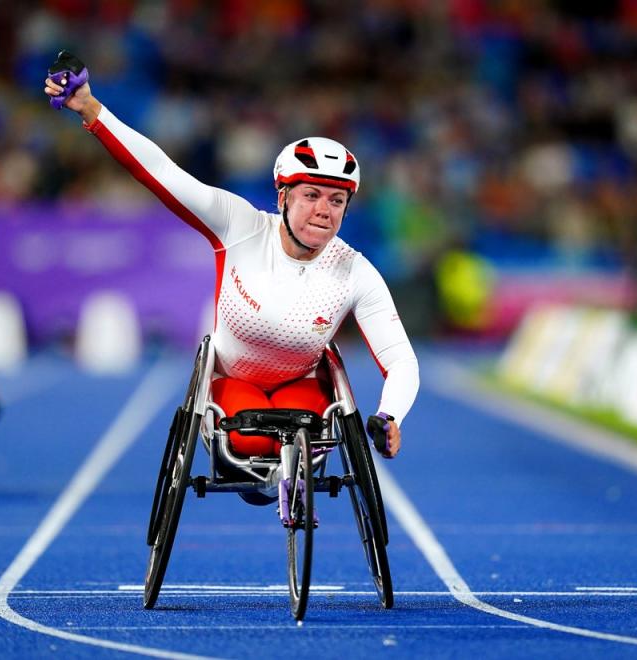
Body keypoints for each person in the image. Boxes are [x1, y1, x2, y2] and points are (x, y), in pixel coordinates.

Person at [44, 52, 418, 459]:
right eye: (311, 196)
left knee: (306, 444)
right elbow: (161, 172)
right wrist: (91, 109)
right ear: (283, 197)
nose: (324, 211)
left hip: (302, 386)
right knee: (250, 445)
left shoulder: (355, 271)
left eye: (337, 200)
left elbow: (400, 359)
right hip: (235, 380)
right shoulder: (239, 225)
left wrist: (390, 415)